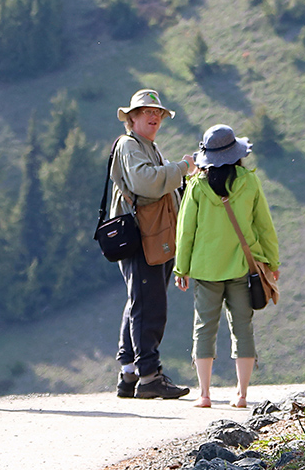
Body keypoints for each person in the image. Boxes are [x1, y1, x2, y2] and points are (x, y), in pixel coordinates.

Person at [174, 124, 280, 409]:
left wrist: (181, 268)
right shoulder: (249, 181)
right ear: (237, 154)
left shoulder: (196, 185)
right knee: (242, 328)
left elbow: (186, 231)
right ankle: (242, 395)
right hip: (243, 267)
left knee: (204, 328)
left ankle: (205, 394)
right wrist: (272, 262)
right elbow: (264, 226)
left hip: (206, 269)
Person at [109, 89, 196, 399]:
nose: (154, 116)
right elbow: (145, 182)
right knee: (150, 304)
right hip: (143, 237)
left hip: (149, 236)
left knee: (139, 301)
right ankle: (149, 376)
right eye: (147, 111)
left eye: (158, 113)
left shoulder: (145, 146)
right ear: (131, 118)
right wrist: (182, 168)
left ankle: (130, 373)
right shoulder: (131, 146)